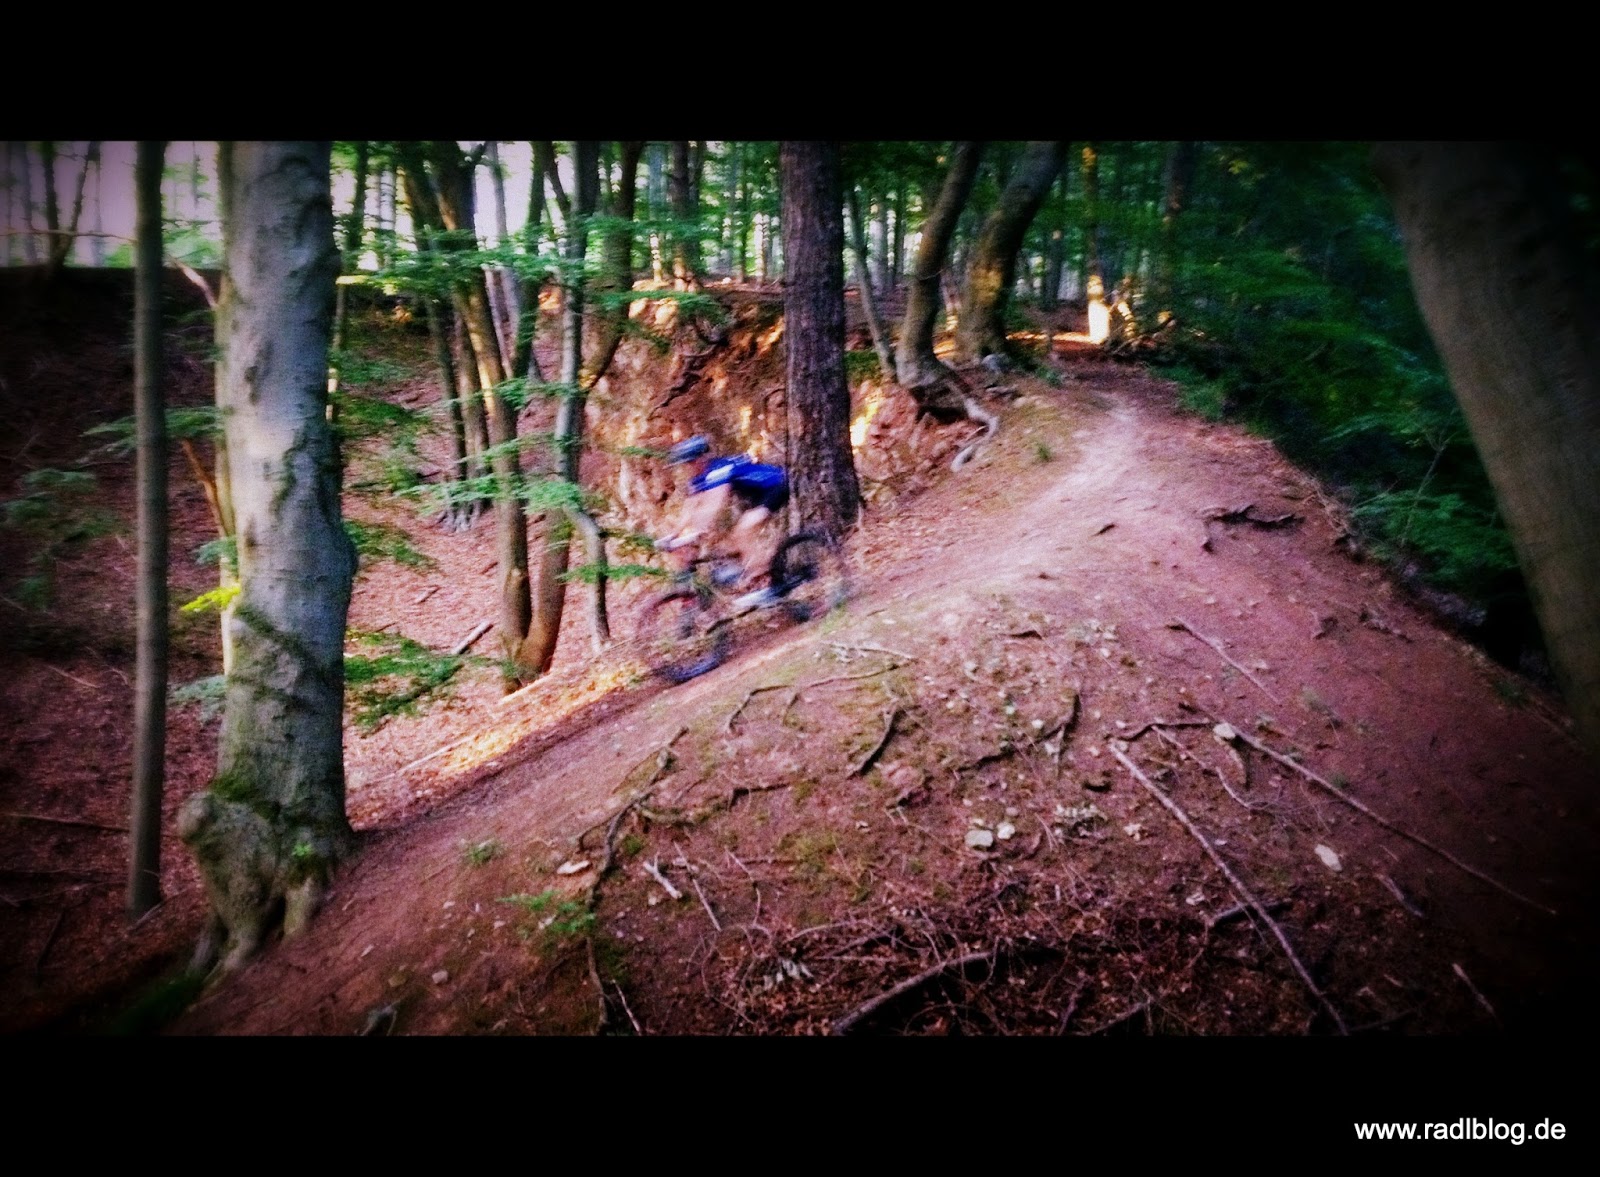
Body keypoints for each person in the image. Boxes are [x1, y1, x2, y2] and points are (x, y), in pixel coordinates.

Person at [656, 435, 788, 611]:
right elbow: (690, 508)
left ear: (701, 459)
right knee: (728, 544)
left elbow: (715, 503)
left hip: (774, 486)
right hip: (754, 496)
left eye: (690, 462)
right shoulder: (698, 479)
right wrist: (672, 536)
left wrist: (698, 531)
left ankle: (768, 587)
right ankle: (754, 575)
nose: (687, 467)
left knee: (743, 531)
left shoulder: (718, 469)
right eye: (685, 464)